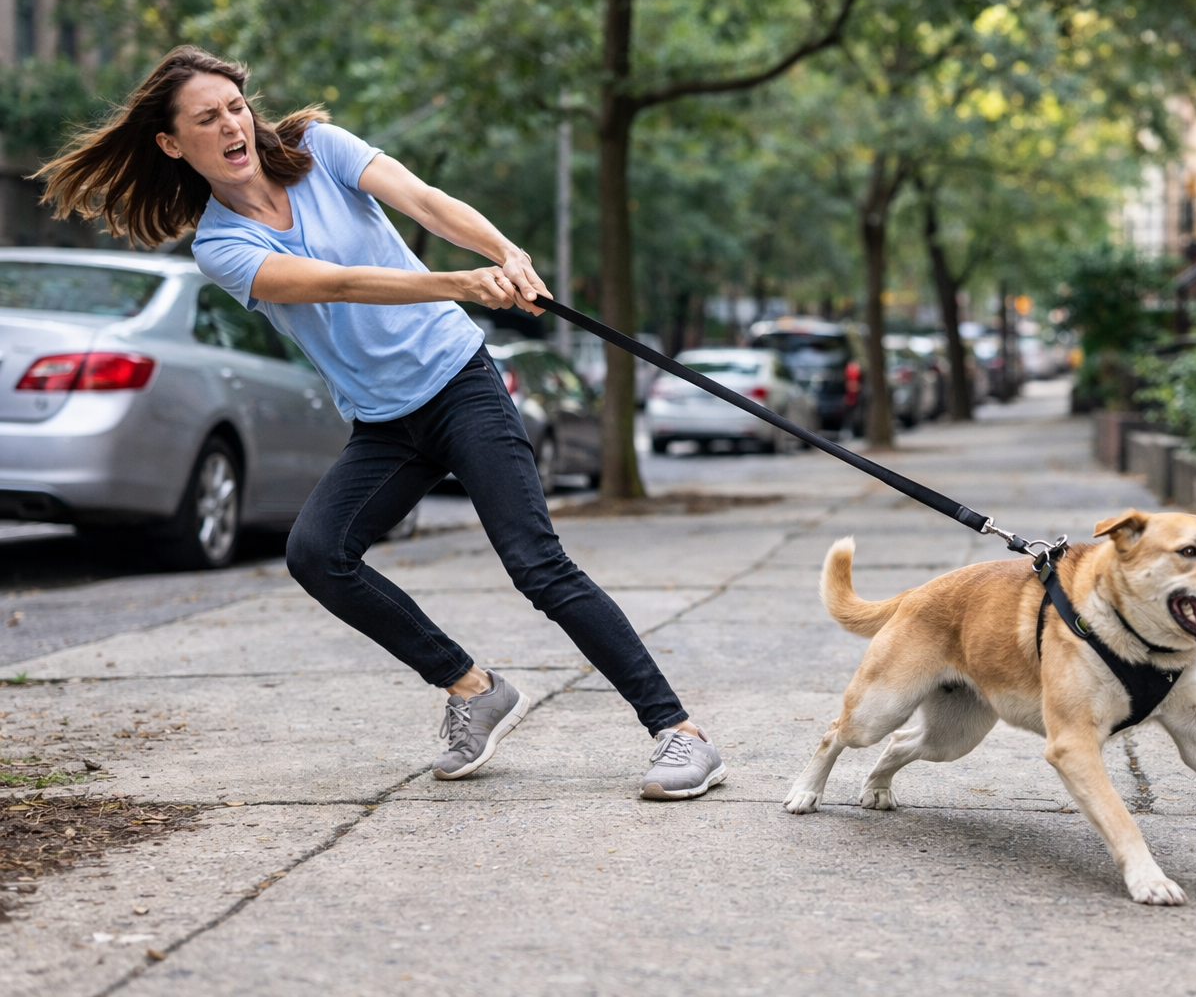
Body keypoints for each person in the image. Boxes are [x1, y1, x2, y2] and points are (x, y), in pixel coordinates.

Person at [37, 45, 724, 800]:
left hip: (461, 382)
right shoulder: (221, 245)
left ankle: (679, 733)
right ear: (172, 143)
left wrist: (502, 250)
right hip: (385, 424)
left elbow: (424, 200)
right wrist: (458, 281)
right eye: (208, 118)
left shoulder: (319, 150)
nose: (233, 125)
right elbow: (336, 283)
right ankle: (472, 686)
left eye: (236, 106)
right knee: (317, 552)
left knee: (535, 563)